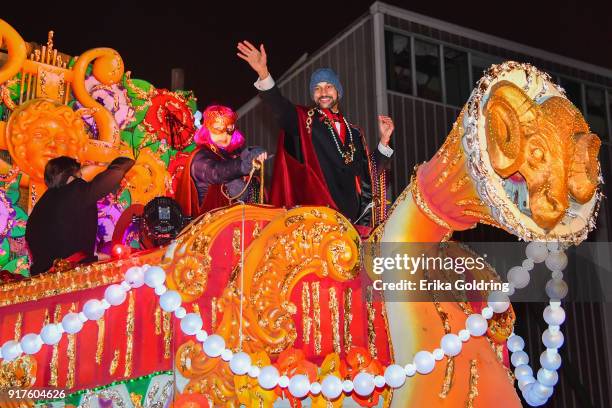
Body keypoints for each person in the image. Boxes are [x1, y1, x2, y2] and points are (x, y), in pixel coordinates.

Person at [237, 41, 394, 227]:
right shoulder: (306, 121)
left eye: (328, 86)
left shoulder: (355, 133)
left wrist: (384, 142)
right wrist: (263, 73)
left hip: (354, 222)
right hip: (318, 220)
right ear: (313, 96)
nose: (323, 92)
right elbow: (281, 109)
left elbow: (369, 173)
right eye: (317, 88)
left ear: (338, 92)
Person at [26, 156, 135, 276]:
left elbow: (60, 249)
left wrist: (97, 257)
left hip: (42, 280)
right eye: (80, 175)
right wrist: (123, 163)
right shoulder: (74, 190)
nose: (81, 180)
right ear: (70, 176)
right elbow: (108, 180)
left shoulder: (40, 208)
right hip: (68, 277)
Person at [175, 105, 267, 217]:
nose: (224, 136)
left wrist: (254, 153)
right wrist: (244, 162)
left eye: (229, 129)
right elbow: (217, 172)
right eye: (218, 129)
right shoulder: (200, 157)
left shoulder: (229, 153)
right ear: (207, 129)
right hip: (210, 227)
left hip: (241, 220)